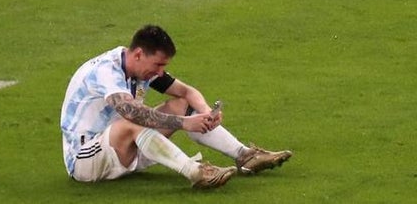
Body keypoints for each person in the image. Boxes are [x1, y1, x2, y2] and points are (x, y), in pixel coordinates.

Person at [60, 24, 293, 189]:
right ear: (139, 54)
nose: (160, 72)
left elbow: (187, 92)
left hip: (118, 151)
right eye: (158, 64)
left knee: (181, 104)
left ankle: (245, 156)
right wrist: (184, 123)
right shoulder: (105, 71)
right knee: (133, 121)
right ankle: (196, 173)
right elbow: (131, 112)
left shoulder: (139, 67)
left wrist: (203, 111)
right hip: (85, 161)